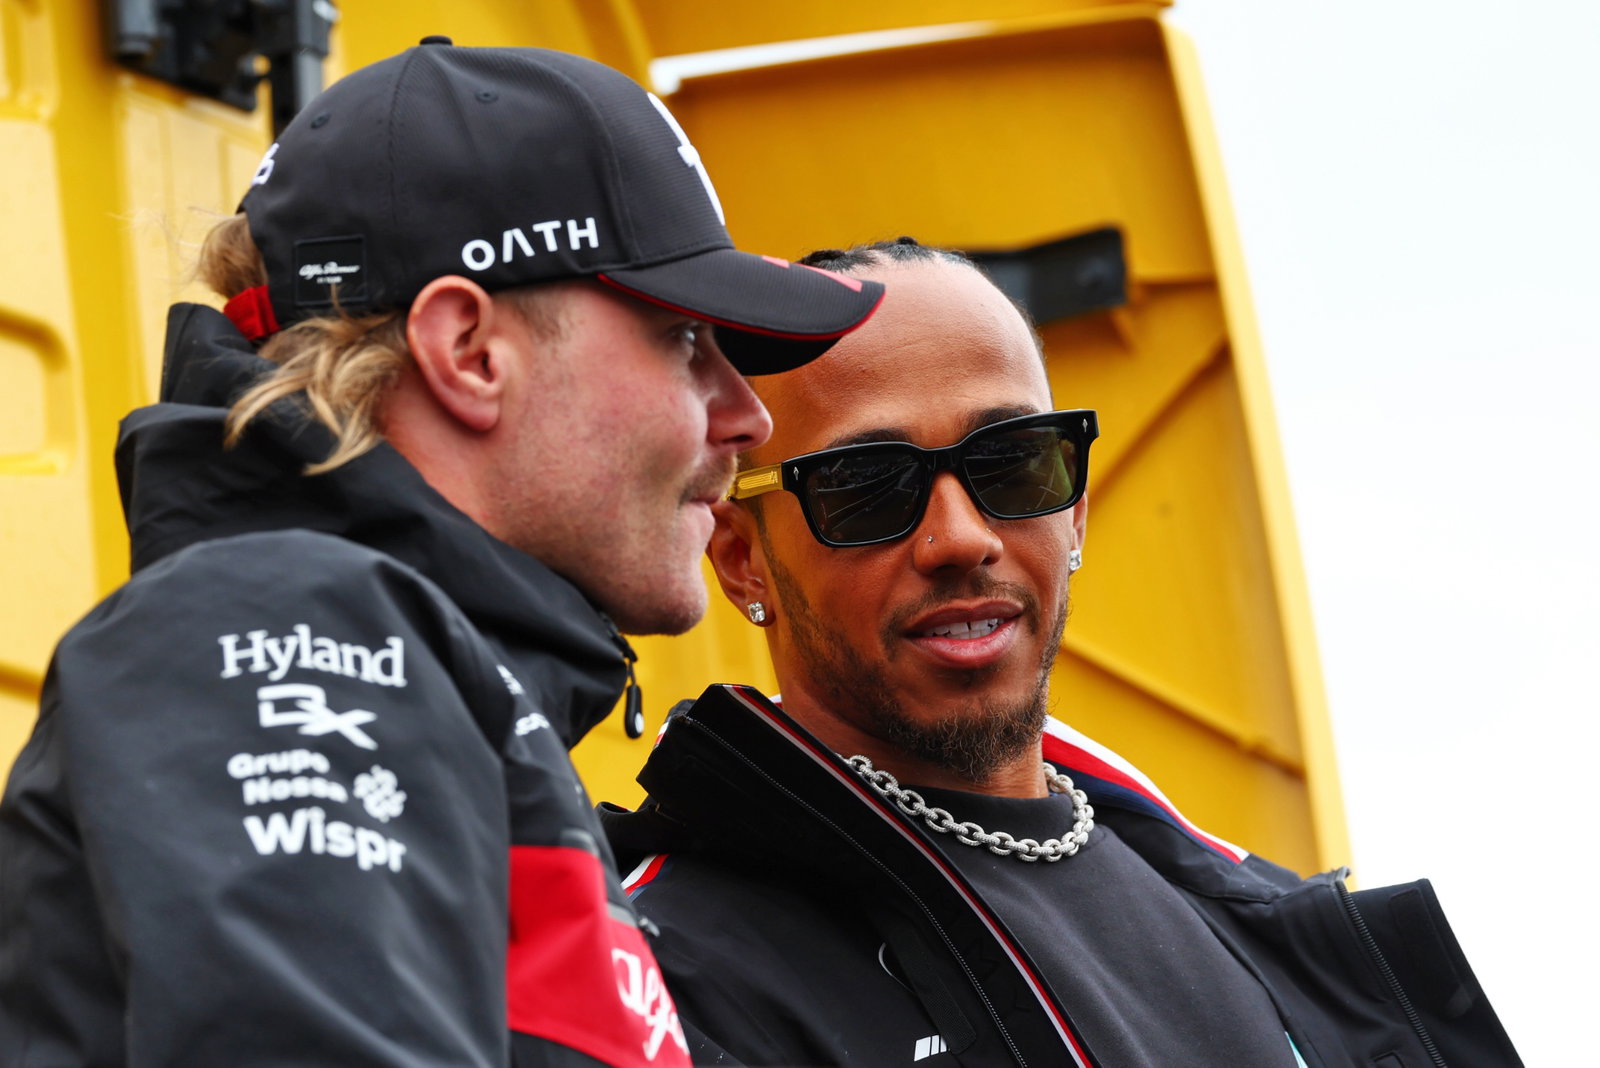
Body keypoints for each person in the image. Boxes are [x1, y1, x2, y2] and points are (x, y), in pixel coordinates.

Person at [0, 40, 883, 1068]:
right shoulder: (279, 626)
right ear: (468, 353)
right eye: (685, 341)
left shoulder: (427, 682)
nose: (746, 418)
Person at [602, 239, 1520, 1067]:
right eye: (865, 486)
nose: (959, 538)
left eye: (1012, 464)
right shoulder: (659, 983)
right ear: (740, 558)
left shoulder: (1237, 908)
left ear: (1073, 508)